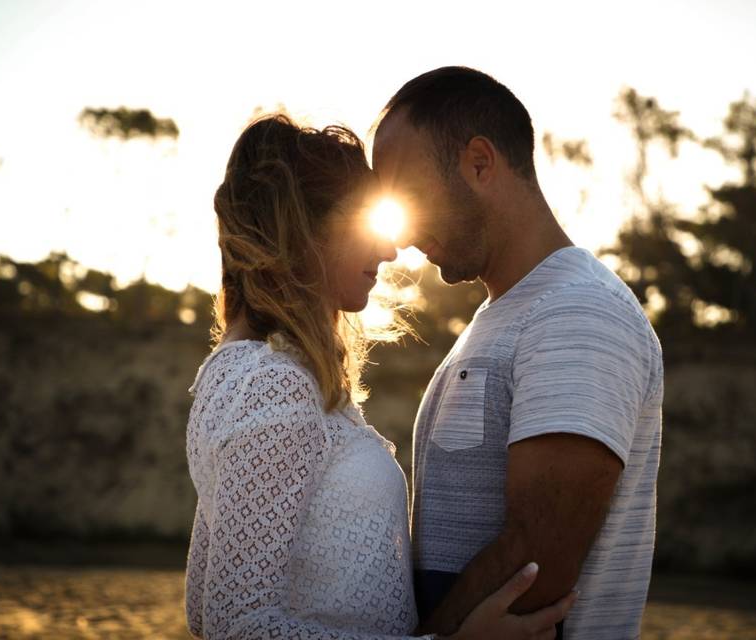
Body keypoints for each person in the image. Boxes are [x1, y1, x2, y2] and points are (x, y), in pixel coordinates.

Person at [183, 113, 575, 639]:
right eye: (365, 225)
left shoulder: (243, 374)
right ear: (308, 232)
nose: (389, 249)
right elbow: (237, 626)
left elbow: (202, 611)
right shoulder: (272, 383)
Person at [371, 67, 664, 640]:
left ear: (480, 163)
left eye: (410, 192)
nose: (401, 232)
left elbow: (538, 561)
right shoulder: (503, 314)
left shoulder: (577, 311)